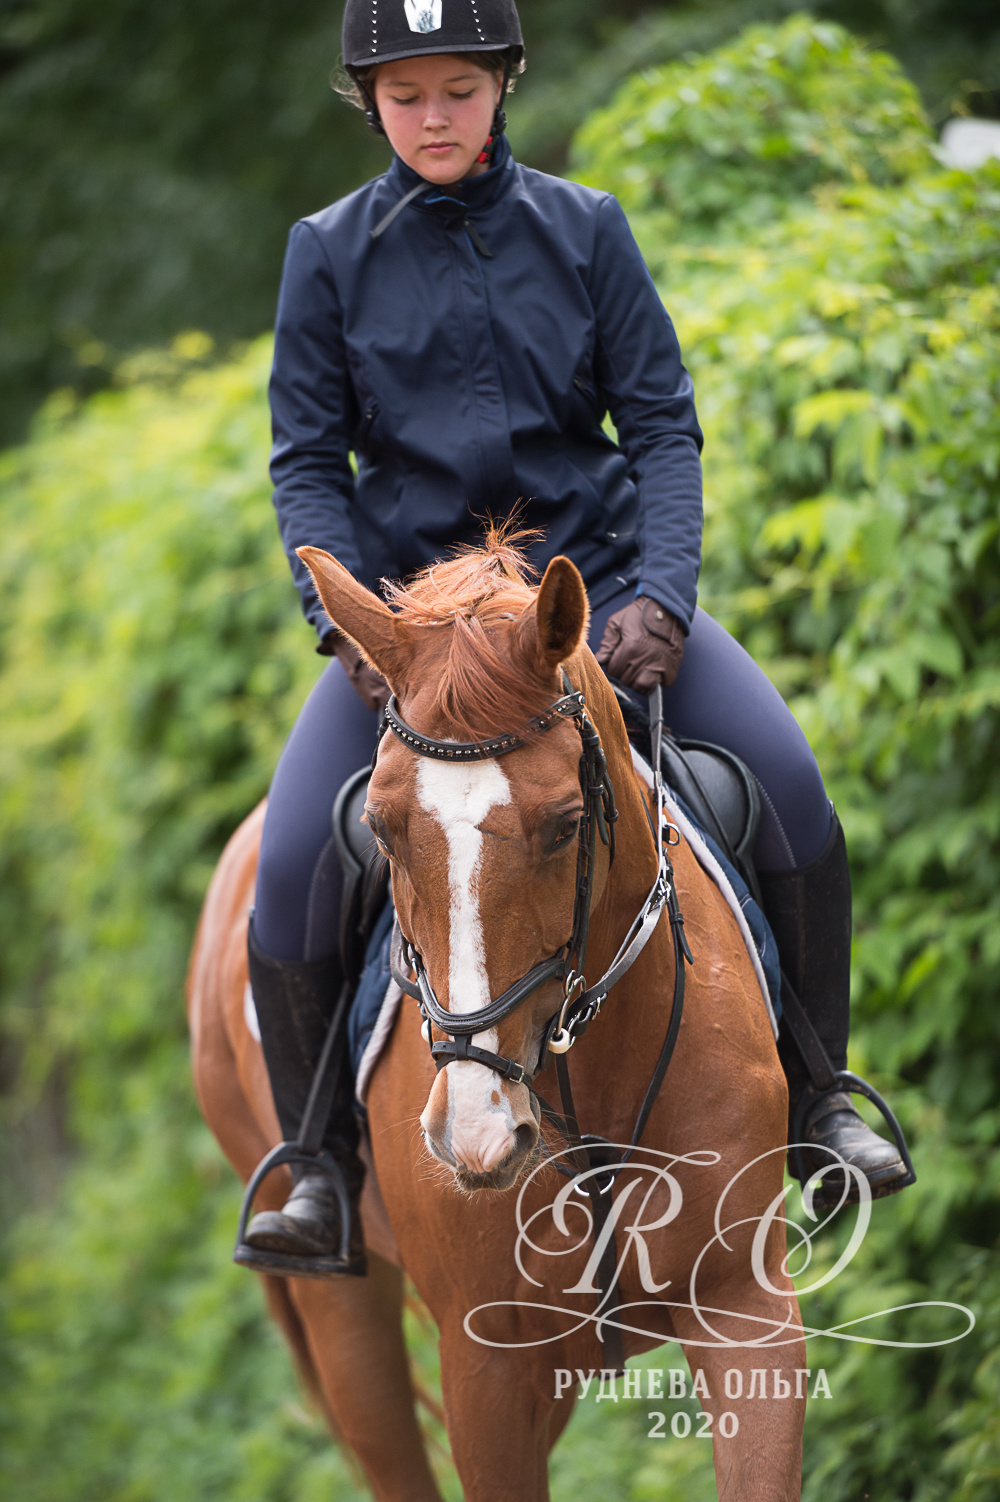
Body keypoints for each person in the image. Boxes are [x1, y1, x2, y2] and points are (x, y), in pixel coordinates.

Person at [240, 0, 910, 1275]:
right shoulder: (325, 253)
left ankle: (822, 1096)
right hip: (416, 638)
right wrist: (348, 626)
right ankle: (317, 1164)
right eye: (404, 96)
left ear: (501, 87)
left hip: (591, 604)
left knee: (790, 788)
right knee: (289, 865)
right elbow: (304, 463)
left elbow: (660, 423)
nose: (432, 117)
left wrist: (660, 592)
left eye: (457, 90)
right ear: (369, 104)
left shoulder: (586, 229)